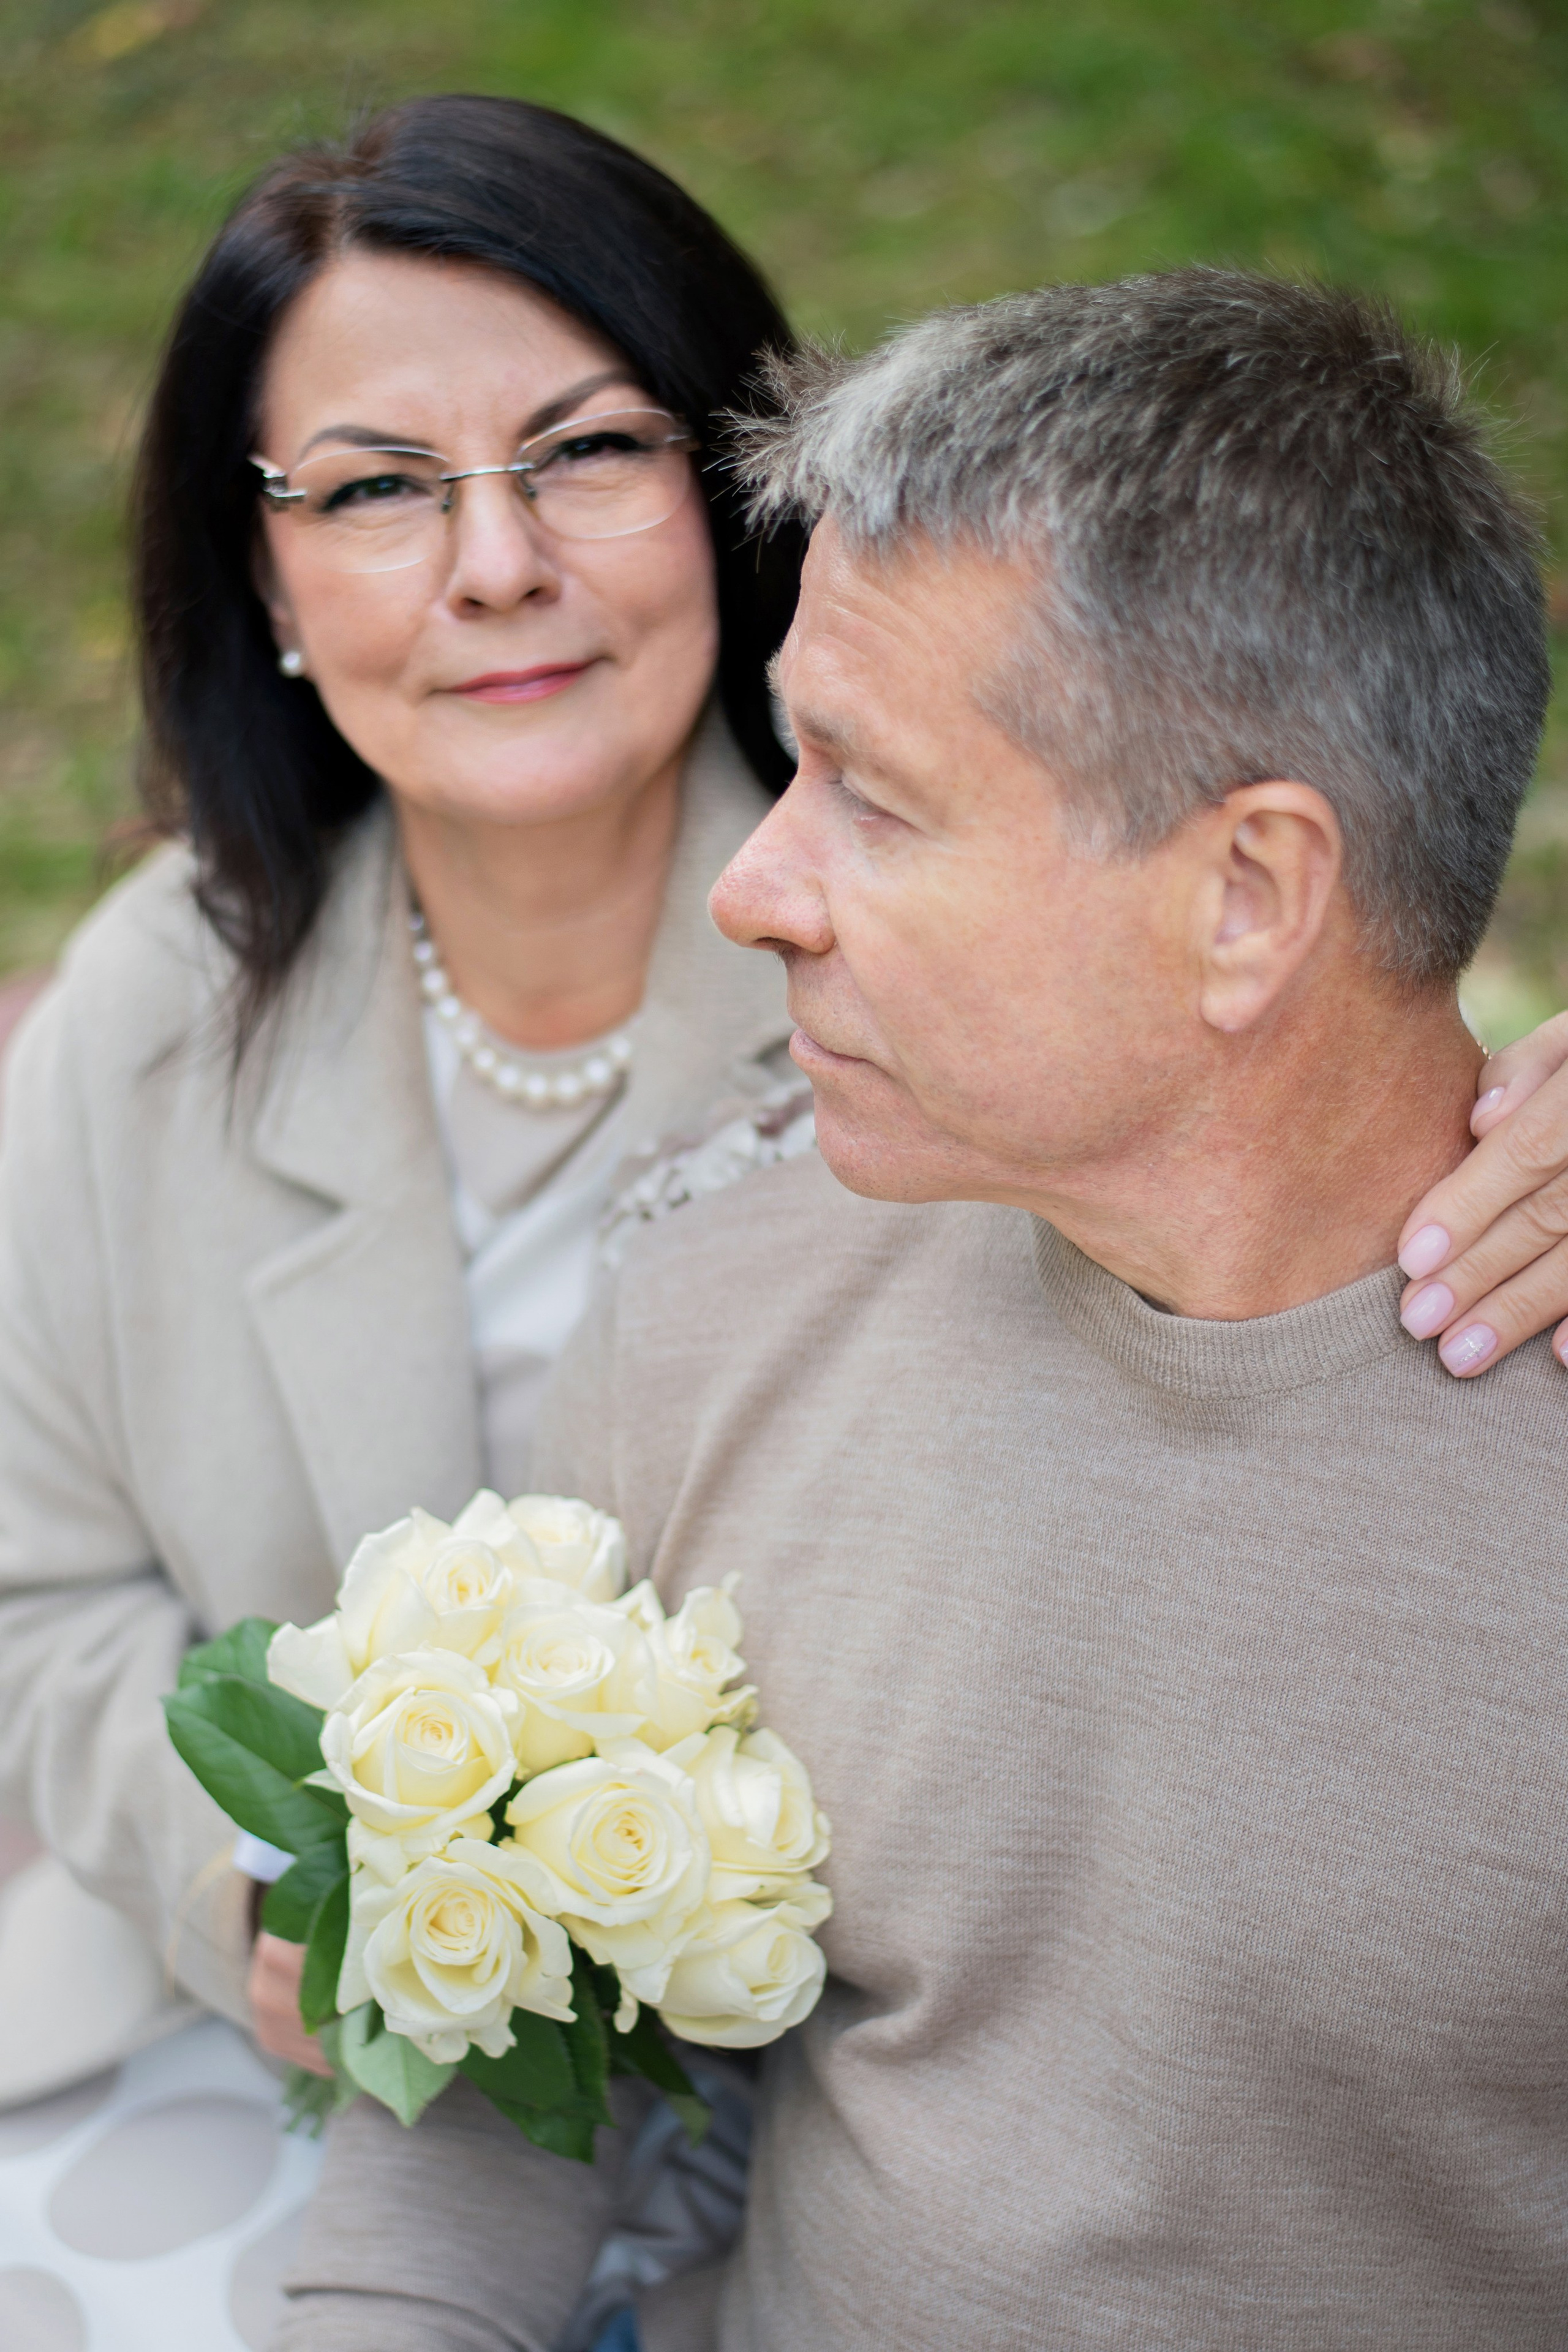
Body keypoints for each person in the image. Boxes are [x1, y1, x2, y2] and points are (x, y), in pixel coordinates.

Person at [277, 272, 1568, 2351]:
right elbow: (519, 2086)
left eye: (870, 796)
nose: (755, 888)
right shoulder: (720, 1279)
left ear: (1247, 894)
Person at [0, 89, 802, 2337]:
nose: (492, 567)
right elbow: (38, 1588)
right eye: (372, 489)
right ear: (263, 577)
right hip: (250, 2062)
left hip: (861, 2125)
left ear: (737, 486)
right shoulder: (156, 1008)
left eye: (587, 452)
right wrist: (276, 1892)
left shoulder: (954, 976)